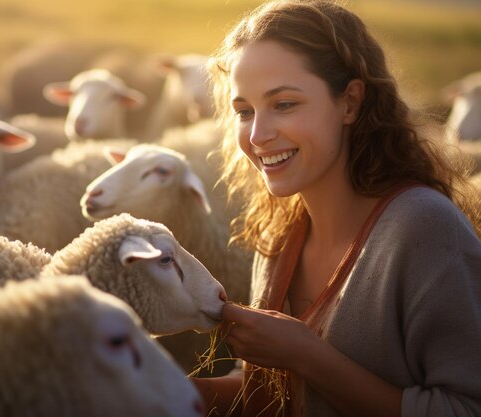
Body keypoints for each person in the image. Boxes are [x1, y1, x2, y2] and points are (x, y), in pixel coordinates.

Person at [191, 1, 481, 416]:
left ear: (350, 102)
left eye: (285, 104)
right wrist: (153, 387)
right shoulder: (280, 236)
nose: (257, 135)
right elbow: (278, 396)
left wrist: (308, 356)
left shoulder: (424, 227)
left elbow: (466, 407)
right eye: (244, 111)